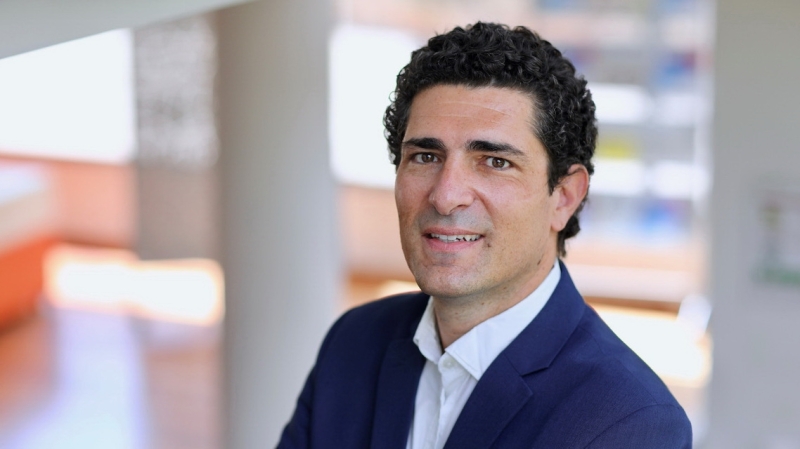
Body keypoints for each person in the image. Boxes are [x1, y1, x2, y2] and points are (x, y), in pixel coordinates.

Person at [278, 22, 692, 448]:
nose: (446, 196)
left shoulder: (629, 421)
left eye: (495, 162)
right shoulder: (354, 342)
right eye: (425, 156)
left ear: (564, 197)